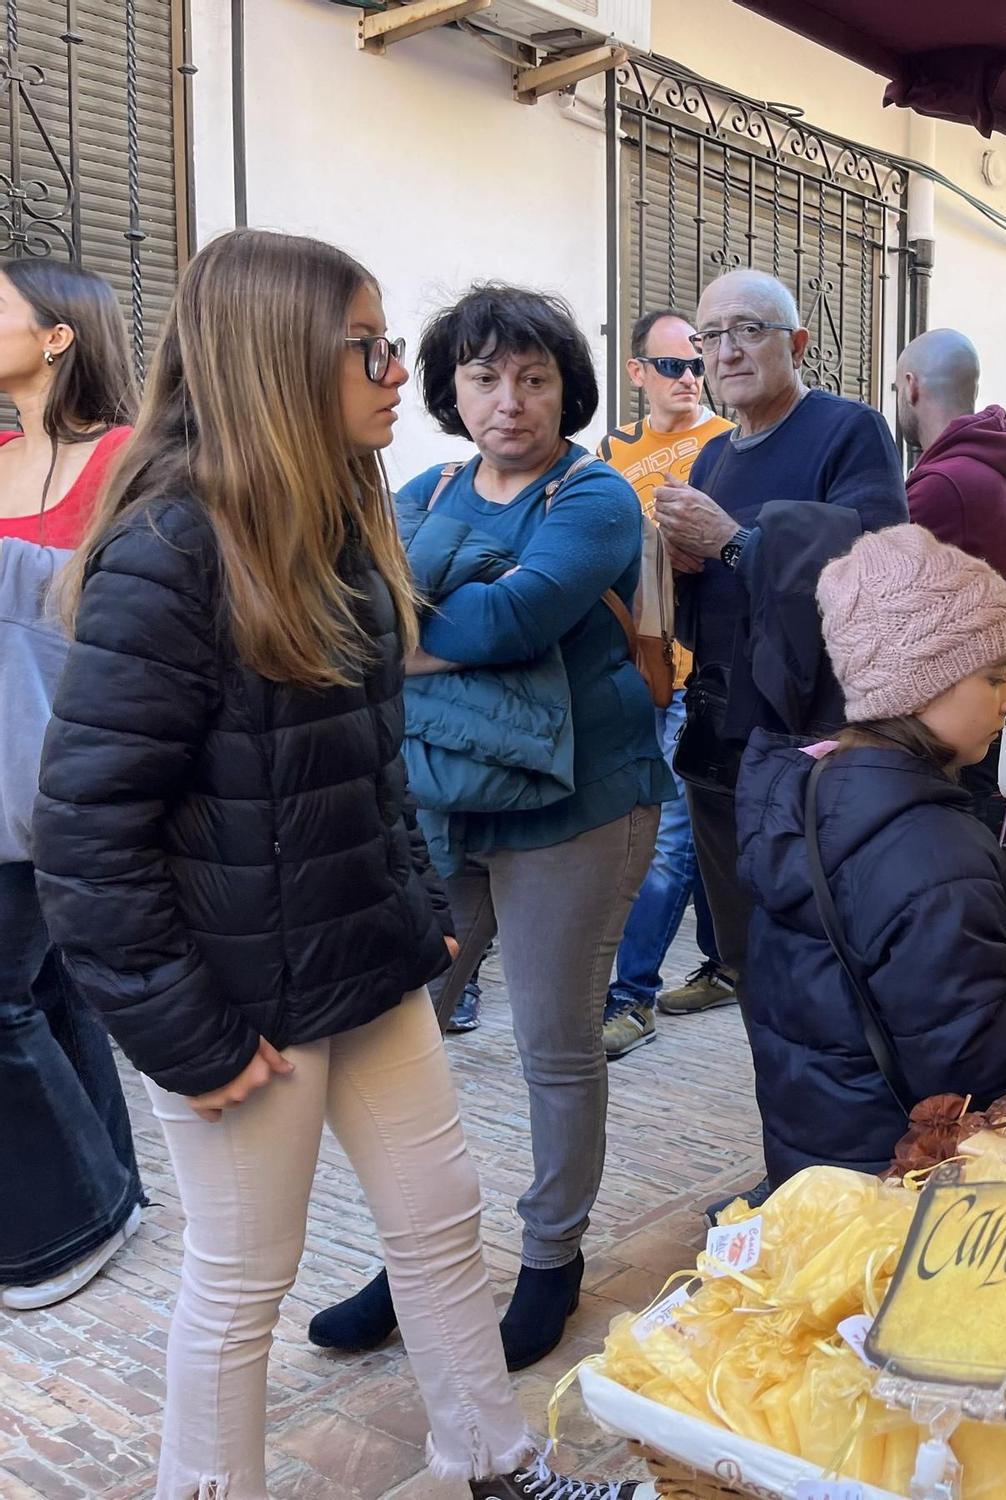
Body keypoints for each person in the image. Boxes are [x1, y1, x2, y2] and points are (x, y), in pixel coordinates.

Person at [33, 229, 647, 1500]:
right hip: (242, 996)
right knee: (242, 1282)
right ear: (275, 361)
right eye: (369, 347)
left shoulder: (343, 522)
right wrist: (184, 1033)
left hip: (365, 963)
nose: (395, 374)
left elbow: (371, 766)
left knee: (439, 1227)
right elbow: (88, 836)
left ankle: (496, 1461)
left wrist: (419, 915)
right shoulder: (170, 552)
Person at [311, 284, 666, 1373]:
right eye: (482, 376)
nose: (507, 400)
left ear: (567, 388)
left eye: (533, 377)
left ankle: (550, 1259)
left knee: (554, 1045)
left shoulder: (596, 497)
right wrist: (422, 618)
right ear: (449, 388)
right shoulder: (418, 489)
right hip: (444, 798)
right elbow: (366, 609)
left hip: (578, 805)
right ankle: (413, 1251)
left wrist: (418, 621)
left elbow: (512, 617)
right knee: (405, 1036)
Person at [735, 524, 1006, 1181]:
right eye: (994, 677)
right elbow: (970, 1064)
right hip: (908, 1172)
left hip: (817, 1157)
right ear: (921, 685)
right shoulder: (934, 852)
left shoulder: (813, 791)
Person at [651, 268, 906, 991]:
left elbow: (877, 564)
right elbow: (710, 602)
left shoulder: (848, 431)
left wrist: (733, 540)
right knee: (745, 948)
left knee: (817, 946)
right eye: (712, 336)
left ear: (796, 343)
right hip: (721, 729)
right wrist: (678, 566)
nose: (727, 351)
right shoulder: (713, 455)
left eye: (748, 331)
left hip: (810, 734)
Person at [0, 256, 145, 1312]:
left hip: (71, 773)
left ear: (60, 337)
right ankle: (114, 1198)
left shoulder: (130, 462)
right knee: (43, 988)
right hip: (2, 765)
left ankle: (69, 1227)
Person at [597, 308, 734, 1056]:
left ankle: (632, 996)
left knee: (672, 837)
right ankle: (725, 964)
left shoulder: (724, 444)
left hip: (693, 674)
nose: (689, 378)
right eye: (673, 365)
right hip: (628, 674)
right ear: (638, 371)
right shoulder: (615, 450)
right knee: (668, 833)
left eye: (696, 363)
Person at [895, 327, 1006, 592]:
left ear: (911, 386)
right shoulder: (987, 468)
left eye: (896, 387)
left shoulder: (943, 485)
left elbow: (883, 593)